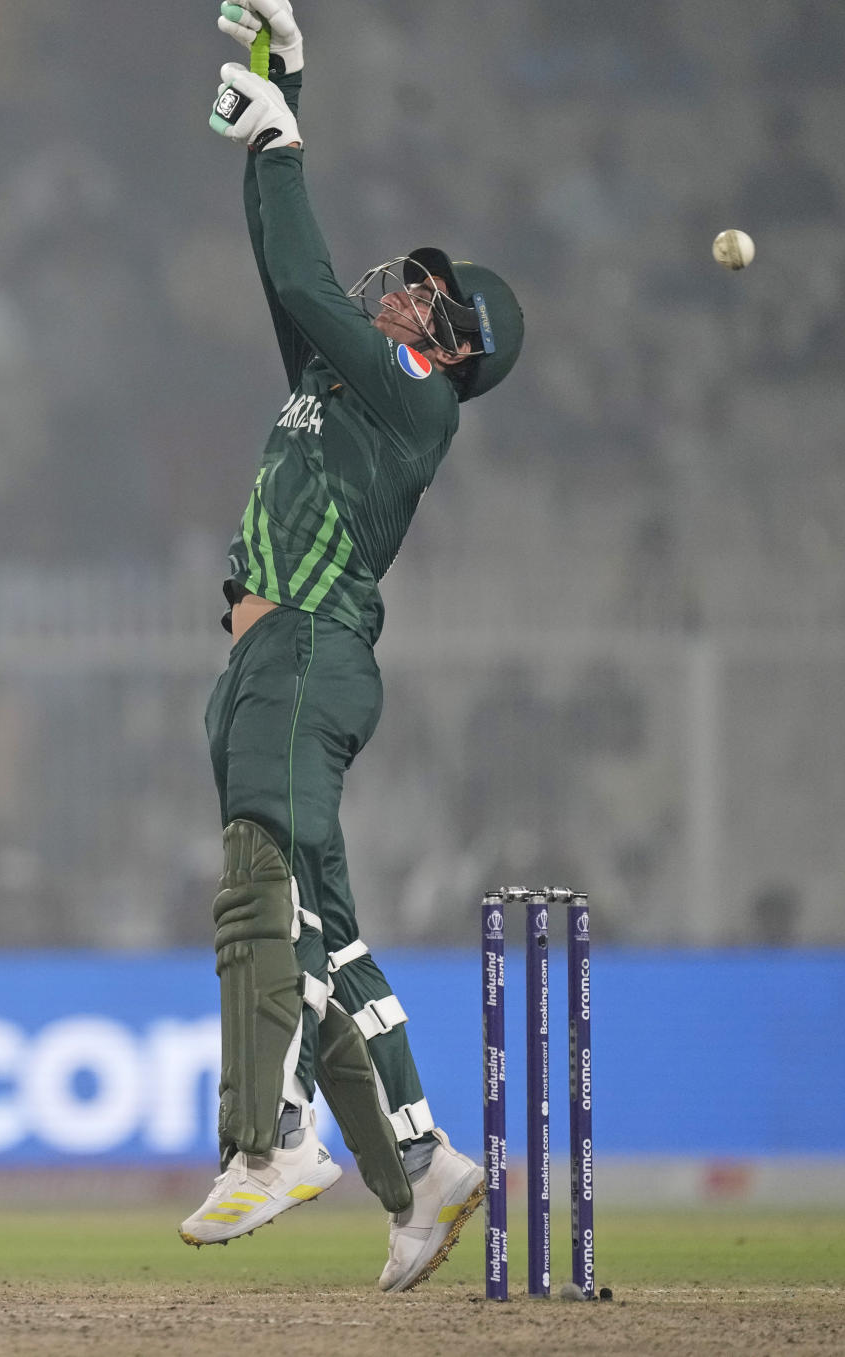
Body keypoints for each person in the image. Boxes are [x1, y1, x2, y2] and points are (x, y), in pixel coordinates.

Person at [179, 0, 524, 1293]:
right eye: (415, 277)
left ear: (455, 345)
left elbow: (317, 286)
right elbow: (292, 280)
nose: (406, 285)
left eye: (430, 293)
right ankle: (421, 1168)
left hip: (310, 651)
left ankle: (270, 1140)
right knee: (321, 932)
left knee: (254, 888)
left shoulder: (415, 399)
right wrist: (284, 104)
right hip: (269, 666)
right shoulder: (341, 378)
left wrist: (282, 142)